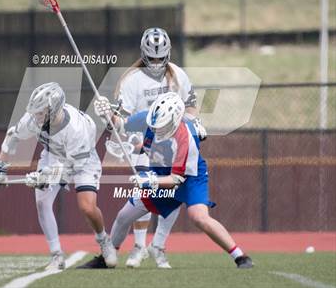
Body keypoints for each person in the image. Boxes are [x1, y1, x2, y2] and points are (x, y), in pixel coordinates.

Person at [86, 92, 253, 269]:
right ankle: (107, 258)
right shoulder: (149, 118)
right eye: (154, 125)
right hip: (160, 170)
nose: (157, 129)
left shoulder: (186, 139)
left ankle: (240, 256)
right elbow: (120, 125)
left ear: (175, 121)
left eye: (162, 126)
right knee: (124, 216)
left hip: (189, 178)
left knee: (199, 217)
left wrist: (150, 180)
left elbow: (175, 179)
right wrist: (107, 115)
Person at [0, 82, 117, 270]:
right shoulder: (33, 119)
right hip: (52, 155)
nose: (35, 117)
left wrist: (46, 177)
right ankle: (56, 255)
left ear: (54, 109)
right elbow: (13, 135)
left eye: (40, 112)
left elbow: (72, 167)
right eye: (35, 111)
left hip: (82, 159)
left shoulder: (77, 129)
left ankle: (104, 240)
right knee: (42, 202)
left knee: (87, 207)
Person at [112, 27, 202, 268]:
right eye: (151, 58)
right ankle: (139, 246)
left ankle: (158, 245)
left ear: (168, 54)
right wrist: (115, 121)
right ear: (143, 54)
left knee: (170, 195)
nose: (155, 63)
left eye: (159, 58)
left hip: (172, 145)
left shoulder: (178, 75)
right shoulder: (132, 80)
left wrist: (192, 124)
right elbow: (123, 118)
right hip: (145, 143)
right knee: (144, 195)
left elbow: (191, 107)